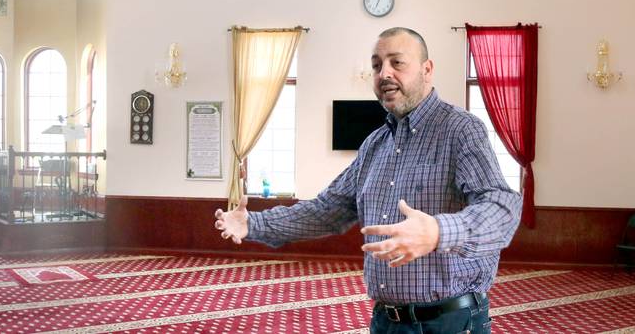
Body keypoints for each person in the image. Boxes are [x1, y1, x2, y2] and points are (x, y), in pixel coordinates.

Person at [214, 27, 522, 334]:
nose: (384, 73)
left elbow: (502, 209)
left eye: (397, 63)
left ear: (427, 70)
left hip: (449, 323)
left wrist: (438, 232)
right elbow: (326, 210)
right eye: (376, 65)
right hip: (386, 322)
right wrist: (254, 223)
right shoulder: (376, 144)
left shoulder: (460, 129)